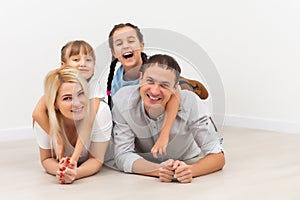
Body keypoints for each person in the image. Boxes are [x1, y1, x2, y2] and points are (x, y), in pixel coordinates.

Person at [111, 54, 225, 183]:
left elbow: (217, 156)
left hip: (186, 156)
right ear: (140, 78)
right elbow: (122, 155)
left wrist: (190, 170)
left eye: (164, 85)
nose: (154, 91)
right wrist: (157, 170)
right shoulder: (122, 100)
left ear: (175, 88)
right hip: (145, 160)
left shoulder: (191, 103)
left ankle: (190, 86)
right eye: (150, 81)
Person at [107, 23, 180, 158]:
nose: (125, 46)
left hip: (160, 111)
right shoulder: (116, 80)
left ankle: (187, 85)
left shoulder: (152, 69)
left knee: (180, 91)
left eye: (131, 41)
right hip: (142, 117)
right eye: (119, 43)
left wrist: (164, 135)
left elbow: (175, 98)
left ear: (141, 46)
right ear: (113, 52)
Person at [34, 66, 112, 184]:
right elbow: (46, 159)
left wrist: (76, 173)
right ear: (55, 104)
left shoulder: (101, 112)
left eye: (80, 94)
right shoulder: (46, 119)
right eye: (67, 98)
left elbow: (96, 159)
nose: (77, 103)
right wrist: (61, 171)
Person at [32, 40, 104, 165]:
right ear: (63, 65)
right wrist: (57, 138)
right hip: (67, 130)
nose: (83, 64)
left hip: (88, 133)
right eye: (76, 60)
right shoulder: (59, 84)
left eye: (88, 60)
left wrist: (74, 158)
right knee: (47, 114)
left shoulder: (94, 86)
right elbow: (37, 113)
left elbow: (88, 123)